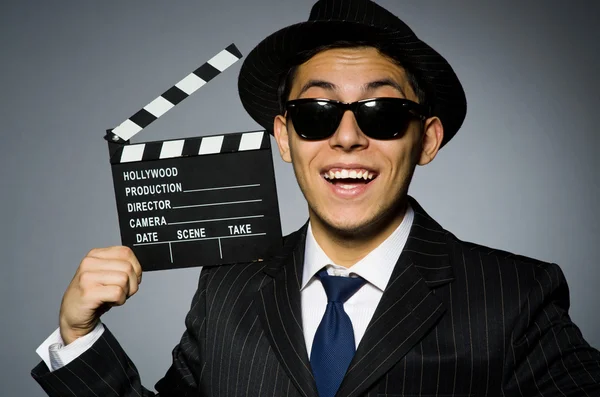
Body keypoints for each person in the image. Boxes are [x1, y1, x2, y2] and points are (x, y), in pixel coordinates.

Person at [32, 0, 600, 395]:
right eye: (315, 113)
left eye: (381, 113)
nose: (347, 136)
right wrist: (79, 339)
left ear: (425, 139)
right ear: (283, 138)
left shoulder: (515, 295)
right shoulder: (226, 287)